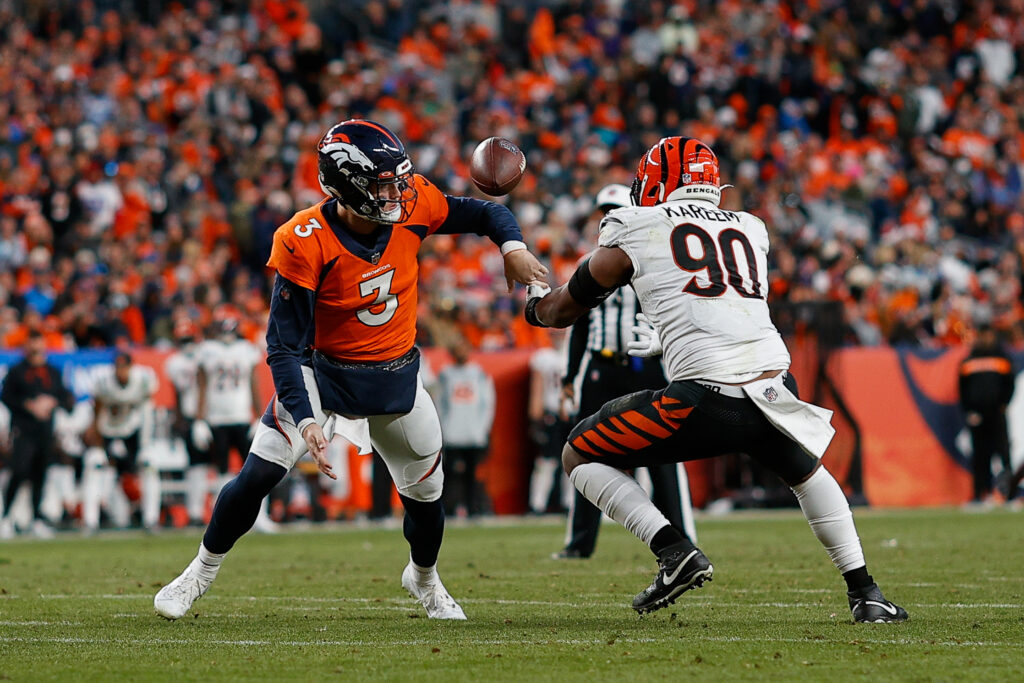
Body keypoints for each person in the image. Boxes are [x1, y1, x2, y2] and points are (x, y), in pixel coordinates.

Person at [154, 119, 546, 620]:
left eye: (398, 181)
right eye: (383, 185)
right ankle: (197, 575)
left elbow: (487, 212)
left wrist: (512, 247)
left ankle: (424, 579)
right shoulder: (304, 238)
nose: (398, 194)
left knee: (427, 497)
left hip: (395, 377)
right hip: (326, 375)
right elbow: (283, 348)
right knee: (258, 475)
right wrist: (308, 419)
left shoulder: (413, 204)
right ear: (346, 186)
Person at [524, 137, 907, 623]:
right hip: (773, 390)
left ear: (659, 181)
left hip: (704, 398)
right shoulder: (752, 228)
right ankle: (866, 592)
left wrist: (534, 305)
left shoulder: (635, 225)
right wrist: (669, 336)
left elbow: (562, 311)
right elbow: (719, 301)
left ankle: (672, 551)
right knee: (806, 474)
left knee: (578, 452)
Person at [553, 183, 695, 560]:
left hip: (644, 366)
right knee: (584, 452)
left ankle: (683, 539)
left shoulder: (654, 259)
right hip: (601, 369)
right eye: (604, 210)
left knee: (664, 457)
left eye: (615, 209)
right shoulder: (591, 263)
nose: (608, 217)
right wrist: (570, 377)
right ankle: (580, 543)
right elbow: (579, 324)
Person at [0, 330, 75, 539]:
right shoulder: (16, 372)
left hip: (45, 430)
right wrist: (29, 405)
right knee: (20, 469)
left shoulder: (53, 372)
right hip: (23, 429)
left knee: (40, 473)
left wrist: (52, 402)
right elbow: (7, 396)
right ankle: (6, 517)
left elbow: (65, 396)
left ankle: (37, 518)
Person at [86, 351, 160, 532]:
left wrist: (145, 444)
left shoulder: (143, 379)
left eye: (124, 367)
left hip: (133, 432)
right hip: (109, 432)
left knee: (149, 466)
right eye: (118, 368)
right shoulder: (103, 382)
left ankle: (151, 519)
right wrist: (98, 444)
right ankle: (90, 522)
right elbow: (96, 411)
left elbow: (148, 411)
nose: (121, 372)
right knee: (94, 466)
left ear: (131, 367)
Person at [435, 337, 495, 518]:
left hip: (473, 432)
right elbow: (439, 403)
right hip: (452, 432)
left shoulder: (478, 373)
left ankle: (472, 507)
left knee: (472, 474)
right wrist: (442, 429)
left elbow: (488, 403)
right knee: (449, 475)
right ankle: (448, 508)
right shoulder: (445, 374)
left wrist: (483, 428)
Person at [958, 324, 1015, 504]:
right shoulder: (969, 360)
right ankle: (979, 495)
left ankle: (1010, 495)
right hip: (977, 416)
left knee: (1004, 455)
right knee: (980, 457)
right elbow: (962, 389)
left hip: (997, 414)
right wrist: (969, 410)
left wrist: (1004, 403)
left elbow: (1009, 384)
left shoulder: (1002, 358)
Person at [164, 319, 210, 526]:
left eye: (188, 339)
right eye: (183, 340)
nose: (187, 344)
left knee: (219, 465)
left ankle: (214, 510)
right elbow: (178, 394)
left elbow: (205, 384)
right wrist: (180, 418)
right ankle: (195, 512)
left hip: (213, 414)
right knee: (196, 465)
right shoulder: (174, 363)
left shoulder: (207, 355)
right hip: (192, 416)